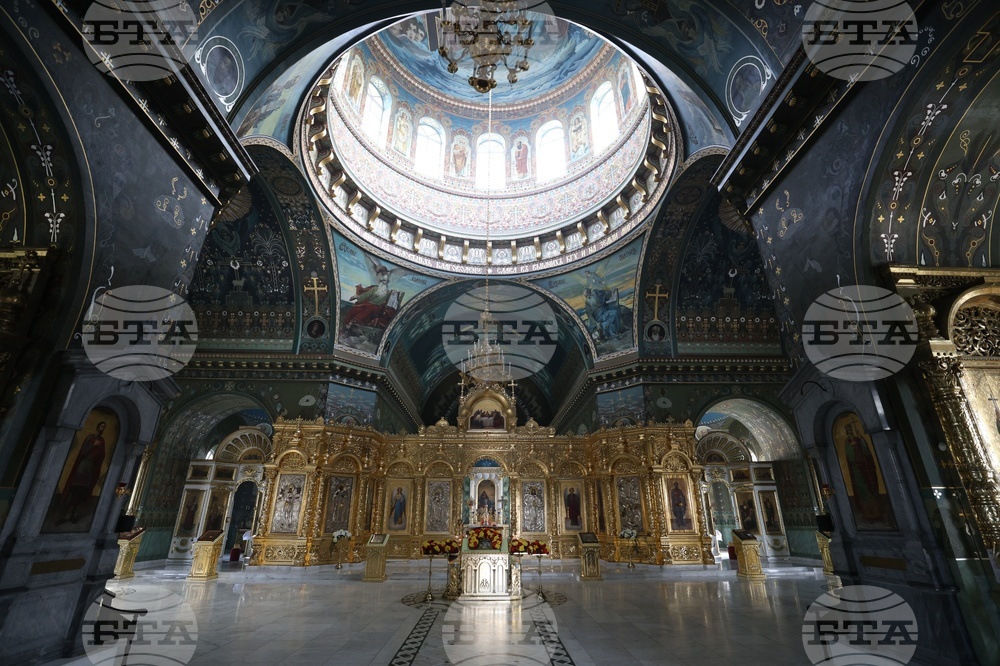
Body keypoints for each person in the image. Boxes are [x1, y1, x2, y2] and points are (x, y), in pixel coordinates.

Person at [60, 421, 107, 524]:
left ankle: (72, 515)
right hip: (82, 466)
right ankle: (63, 516)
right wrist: (93, 445)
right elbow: (83, 452)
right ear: (97, 427)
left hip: (90, 469)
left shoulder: (102, 441)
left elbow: (102, 456)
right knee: (72, 492)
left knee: (80, 494)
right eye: (101, 426)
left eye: (104, 427)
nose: (102, 429)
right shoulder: (90, 438)